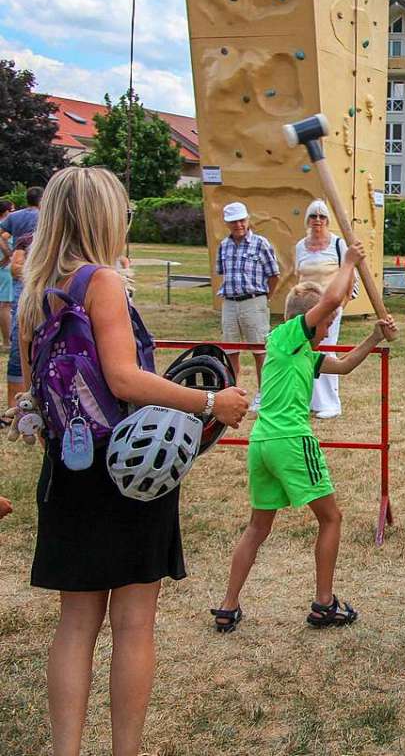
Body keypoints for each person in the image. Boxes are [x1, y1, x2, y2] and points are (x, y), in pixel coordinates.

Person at [16, 167, 249, 756]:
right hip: (128, 472)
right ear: (104, 217)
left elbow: (33, 393)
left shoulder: (35, 290)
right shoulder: (102, 282)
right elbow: (123, 377)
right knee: (134, 623)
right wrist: (208, 401)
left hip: (65, 475)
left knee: (74, 626)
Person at [211, 245, 397, 632]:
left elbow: (343, 366)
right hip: (292, 440)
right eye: (326, 323)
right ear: (309, 321)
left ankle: (228, 606)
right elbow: (331, 298)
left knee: (257, 527)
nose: (328, 328)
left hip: (262, 443)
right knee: (331, 519)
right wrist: (348, 263)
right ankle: (323, 604)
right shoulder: (288, 335)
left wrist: (374, 337)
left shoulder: (297, 351)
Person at [291, 199, 359, 420]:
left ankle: (331, 402)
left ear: (328, 220)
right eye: (313, 216)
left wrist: (341, 304)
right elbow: (297, 276)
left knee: (326, 351)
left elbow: (349, 276)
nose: (317, 221)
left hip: (330, 309)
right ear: (307, 220)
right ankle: (308, 399)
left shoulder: (338, 244)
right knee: (304, 352)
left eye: (322, 216)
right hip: (306, 309)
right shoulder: (300, 246)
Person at [216, 202, 280, 411]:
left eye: (242, 220)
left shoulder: (261, 243)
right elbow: (222, 273)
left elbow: (274, 275)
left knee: (259, 350)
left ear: (248, 220)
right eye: (234, 221)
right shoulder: (223, 245)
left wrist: (264, 299)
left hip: (254, 300)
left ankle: (263, 394)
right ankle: (233, 392)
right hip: (230, 302)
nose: (239, 225)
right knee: (231, 351)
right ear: (227, 223)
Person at [2, 186, 43, 408]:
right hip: (31, 285)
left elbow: (3, 235)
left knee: (21, 345)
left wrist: (8, 256)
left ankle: (14, 405)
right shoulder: (44, 218)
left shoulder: (14, 217)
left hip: (24, 282)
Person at [0, 200, 14, 351]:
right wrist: (8, 255)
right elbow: (1, 238)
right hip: (4, 269)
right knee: (5, 305)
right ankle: (6, 342)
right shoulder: (4, 225)